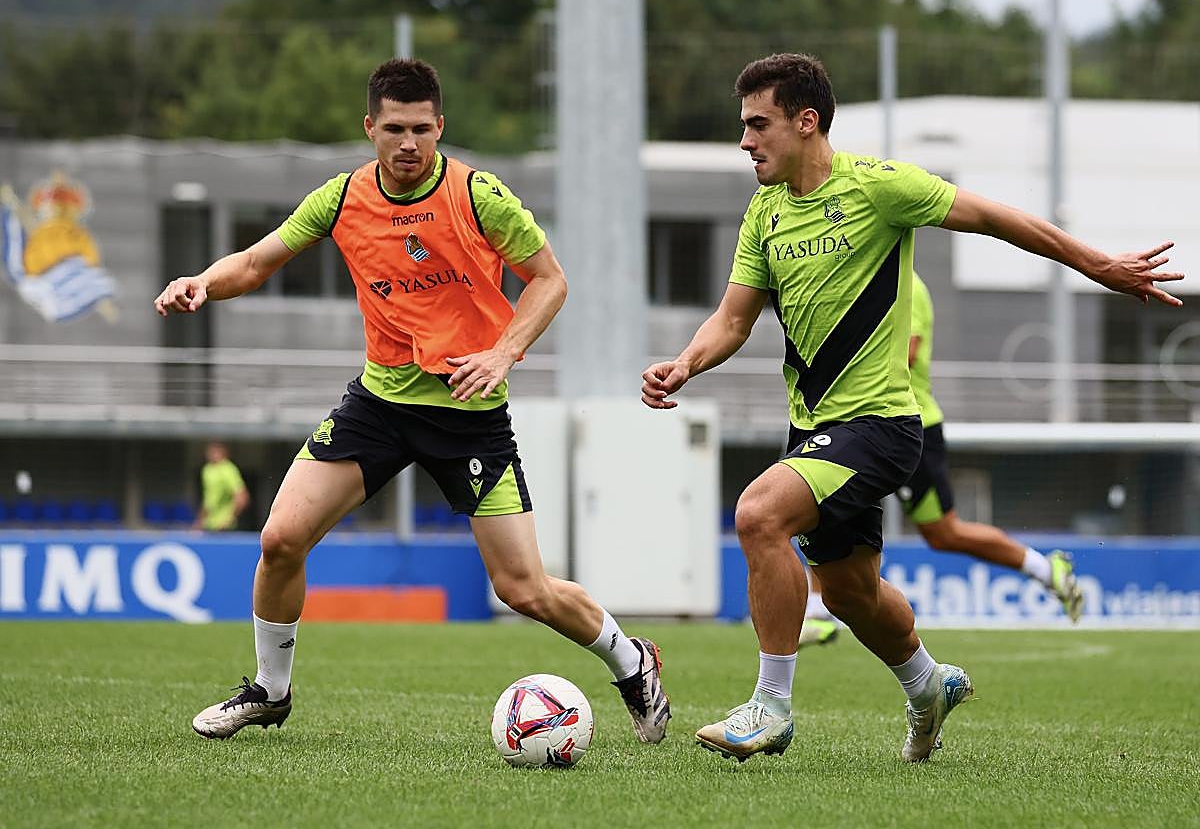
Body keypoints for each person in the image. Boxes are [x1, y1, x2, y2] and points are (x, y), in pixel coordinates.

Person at [641, 53, 1179, 764]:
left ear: (806, 122)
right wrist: (686, 362)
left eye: (758, 124)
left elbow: (997, 218)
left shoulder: (879, 186)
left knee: (758, 514)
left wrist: (1099, 265)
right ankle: (928, 685)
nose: (745, 141)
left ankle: (770, 707)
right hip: (813, 428)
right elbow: (733, 320)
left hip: (881, 425)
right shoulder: (764, 213)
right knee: (851, 594)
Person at [156, 58, 669, 743]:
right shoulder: (341, 198)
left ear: (440, 127)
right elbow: (255, 262)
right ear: (370, 127)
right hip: (379, 406)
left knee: (522, 588)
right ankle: (270, 691)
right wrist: (203, 281)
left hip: (468, 414)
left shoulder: (479, 196)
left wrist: (503, 352)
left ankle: (632, 661)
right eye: (394, 129)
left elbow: (549, 280)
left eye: (421, 129)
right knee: (280, 539)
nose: (408, 143)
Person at [798, 271, 1085, 647]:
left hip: (906, 426)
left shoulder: (907, 284)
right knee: (820, 503)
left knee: (943, 533)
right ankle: (817, 611)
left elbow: (907, 352)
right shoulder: (862, 277)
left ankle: (1046, 570)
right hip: (858, 424)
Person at [193, 442, 250, 532]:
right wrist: (199, 522)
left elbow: (242, 497)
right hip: (209, 526)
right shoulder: (207, 470)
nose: (214, 455)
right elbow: (208, 501)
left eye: (217, 452)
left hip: (225, 529)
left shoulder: (228, 469)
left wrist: (228, 520)